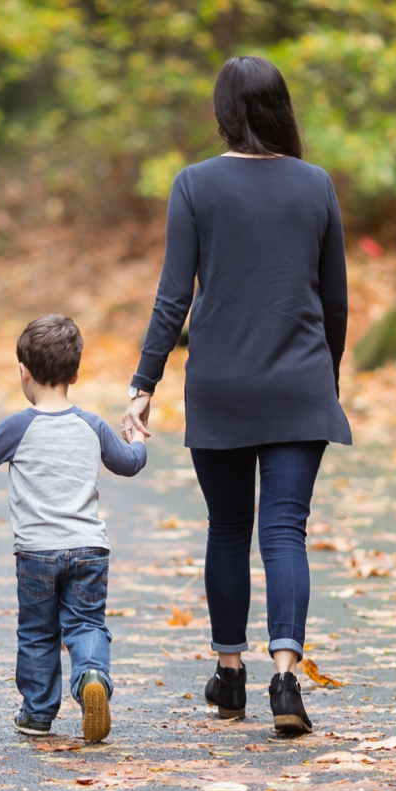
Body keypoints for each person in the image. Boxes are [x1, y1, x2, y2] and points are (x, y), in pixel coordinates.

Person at [123, 56, 349, 739]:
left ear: (222, 113)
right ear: (281, 109)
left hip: (220, 385)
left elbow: (173, 297)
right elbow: (335, 301)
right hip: (299, 384)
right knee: (285, 530)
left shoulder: (194, 185)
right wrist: (324, 380)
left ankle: (230, 675)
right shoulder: (316, 185)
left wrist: (144, 383)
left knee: (228, 527)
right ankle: (286, 678)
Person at [0, 315, 147, 744]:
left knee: (38, 633)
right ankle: (91, 676)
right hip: (89, 549)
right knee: (87, 624)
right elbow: (130, 464)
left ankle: (38, 713)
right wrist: (137, 437)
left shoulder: (19, 426)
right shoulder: (93, 425)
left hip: (36, 553)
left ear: (23, 371)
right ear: (75, 374)